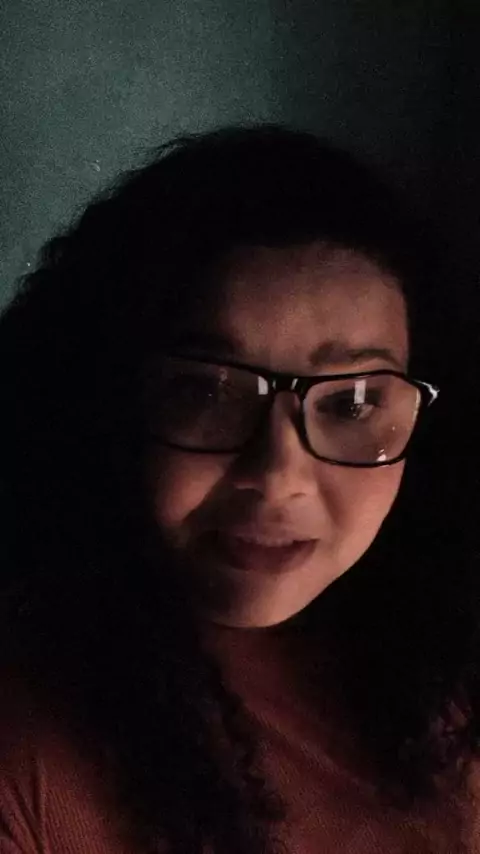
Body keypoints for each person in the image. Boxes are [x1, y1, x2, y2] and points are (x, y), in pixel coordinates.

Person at [0, 123, 479, 854]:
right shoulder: (29, 748)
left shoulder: (445, 659)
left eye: (353, 403)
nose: (279, 477)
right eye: (208, 393)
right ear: (105, 404)